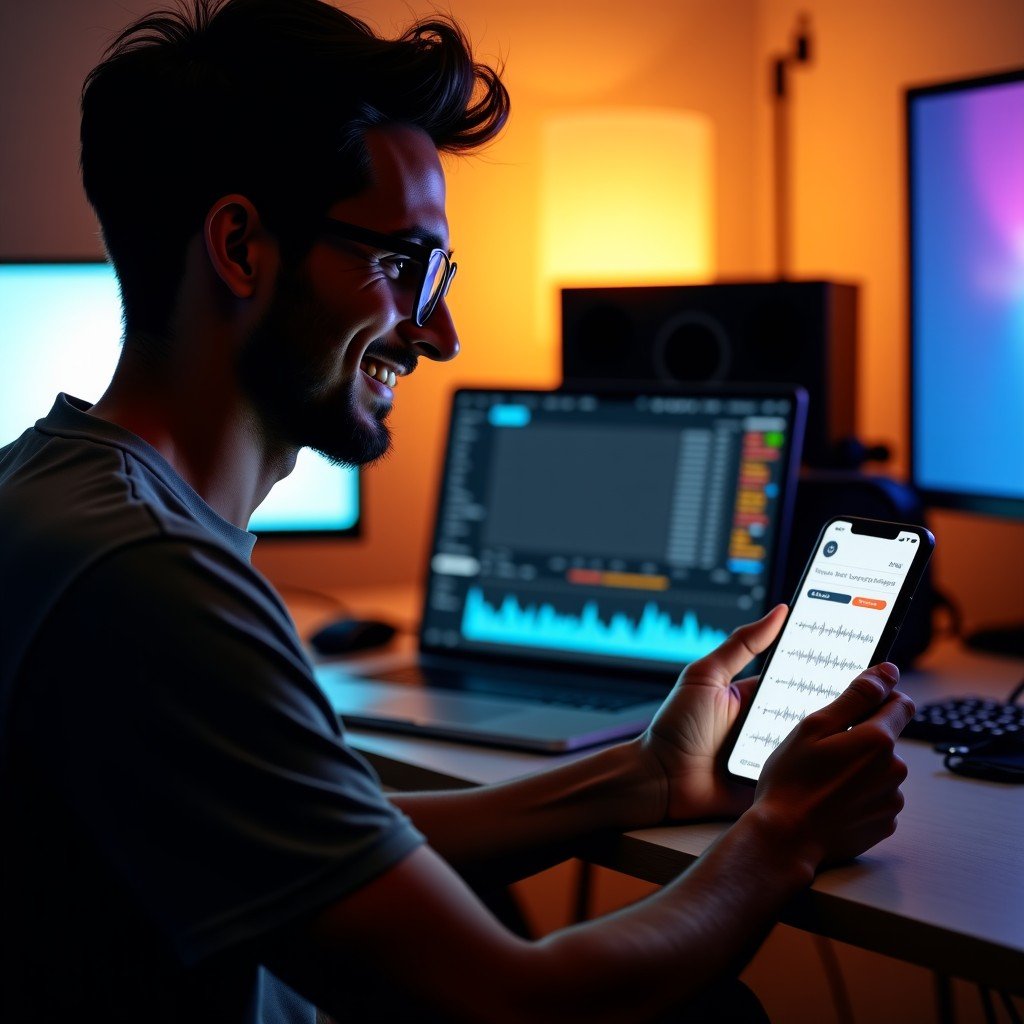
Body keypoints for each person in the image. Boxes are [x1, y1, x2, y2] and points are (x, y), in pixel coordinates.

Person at [0, 1, 914, 1021]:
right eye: (407, 266)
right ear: (241, 248)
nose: (440, 332)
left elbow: (325, 834)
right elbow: (507, 1005)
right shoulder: (151, 577)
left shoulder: (52, 492)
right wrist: (782, 837)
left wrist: (644, 778)